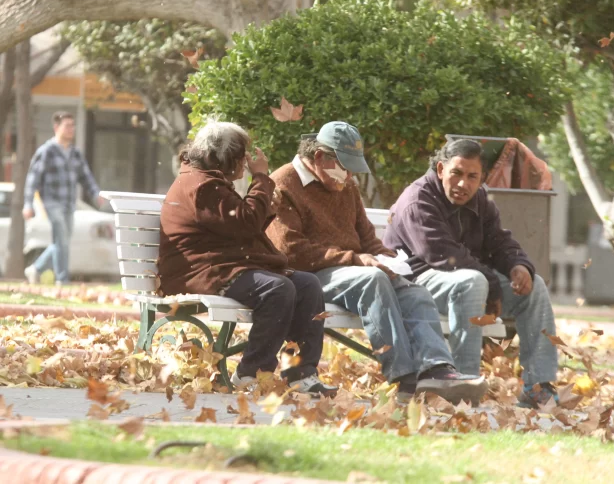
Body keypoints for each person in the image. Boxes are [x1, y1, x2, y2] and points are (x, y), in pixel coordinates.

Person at [266, 121, 487, 404]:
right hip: (307, 276)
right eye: (343, 167)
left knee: (412, 289)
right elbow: (290, 249)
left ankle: (436, 369)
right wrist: (355, 259)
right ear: (320, 157)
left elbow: (366, 238)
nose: (348, 176)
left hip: (350, 271)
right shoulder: (284, 183)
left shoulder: (345, 185)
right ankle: (405, 378)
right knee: (372, 279)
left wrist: (388, 260)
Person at [157, 120, 336, 396]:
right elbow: (243, 223)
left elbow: (237, 229)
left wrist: (264, 210)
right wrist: (262, 179)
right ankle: (251, 373)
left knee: (308, 285)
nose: (244, 167)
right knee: (277, 289)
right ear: (223, 158)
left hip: (223, 265)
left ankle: (301, 372)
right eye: (240, 160)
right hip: (199, 271)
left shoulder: (208, 181)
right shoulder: (201, 185)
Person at [383, 139, 559, 408]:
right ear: (441, 169)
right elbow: (441, 254)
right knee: (472, 281)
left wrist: (519, 266)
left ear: (482, 178)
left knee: (533, 285)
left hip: (465, 280)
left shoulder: (480, 199)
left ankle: (538, 386)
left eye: (472, 176)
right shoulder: (417, 199)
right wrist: (493, 284)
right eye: (456, 173)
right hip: (415, 282)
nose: (463, 184)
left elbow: (500, 241)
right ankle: (464, 384)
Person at [23, 111, 103, 285]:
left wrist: (96, 194)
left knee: (62, 241)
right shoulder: (46, 151)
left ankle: (35, 269)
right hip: (51, 203)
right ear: (56, 127)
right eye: (67, 126)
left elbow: (86, 176)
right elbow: (33, 180)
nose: (71, 129)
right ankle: (62, 279)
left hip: (69, 203)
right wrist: (27, 204)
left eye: (72, 126)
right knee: (62, 239)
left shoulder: (75, 153)